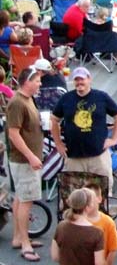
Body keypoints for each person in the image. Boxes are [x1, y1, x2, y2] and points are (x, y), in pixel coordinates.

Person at [51, 66, 117, 191]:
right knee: (74, 196)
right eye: (76, 80)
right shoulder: (66, 98)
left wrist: (114, 139)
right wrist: (58, 143)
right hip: (74, 158)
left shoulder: (101, 97)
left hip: (98, 157)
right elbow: (54, 120)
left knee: (103, 195)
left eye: (82, 79)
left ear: (89, 79)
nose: (79, 83)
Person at [6, 66, 44, 262]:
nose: (40, 84)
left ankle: (18, 237)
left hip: (26, 159)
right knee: (26, 201)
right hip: (23, 161)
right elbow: (13, 133)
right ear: (27, 81)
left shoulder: (28, 100)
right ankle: (25, 244)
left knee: (20, 198)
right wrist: (31, 156)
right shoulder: (17, 103)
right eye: (37, 80)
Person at [51, 188, 104, 265]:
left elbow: (55, 256)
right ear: (88, 207)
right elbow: (99, 263)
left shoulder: (61, 226)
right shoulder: (97, 233)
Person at [85, 182, 117, 265]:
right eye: (85, 199)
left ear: (99, 199)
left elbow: (113, 248)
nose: (87, 202)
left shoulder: (107, 222)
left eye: (91, 198)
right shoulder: (78, 220)